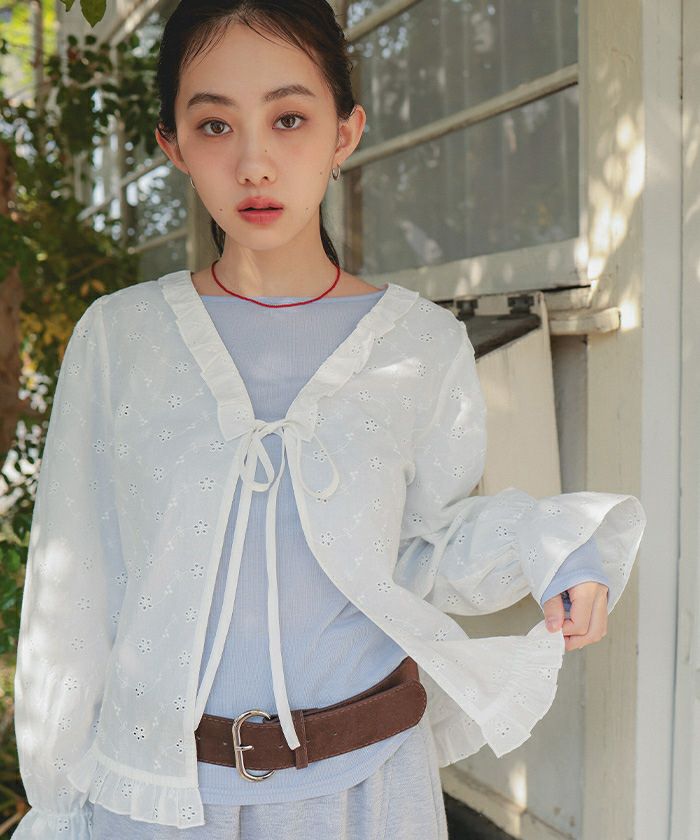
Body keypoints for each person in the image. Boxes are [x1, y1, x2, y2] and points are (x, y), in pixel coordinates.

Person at [12, 1, 647, 838]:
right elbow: (73, 586)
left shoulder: (419, 343)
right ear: (173, 146)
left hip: (368, 793)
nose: (254, 162)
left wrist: (553, 545)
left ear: (344, 133)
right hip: (159, 801)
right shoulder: (121, 339)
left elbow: (423, 546)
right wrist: (61, 803)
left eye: (289, 119)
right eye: (214, 125)